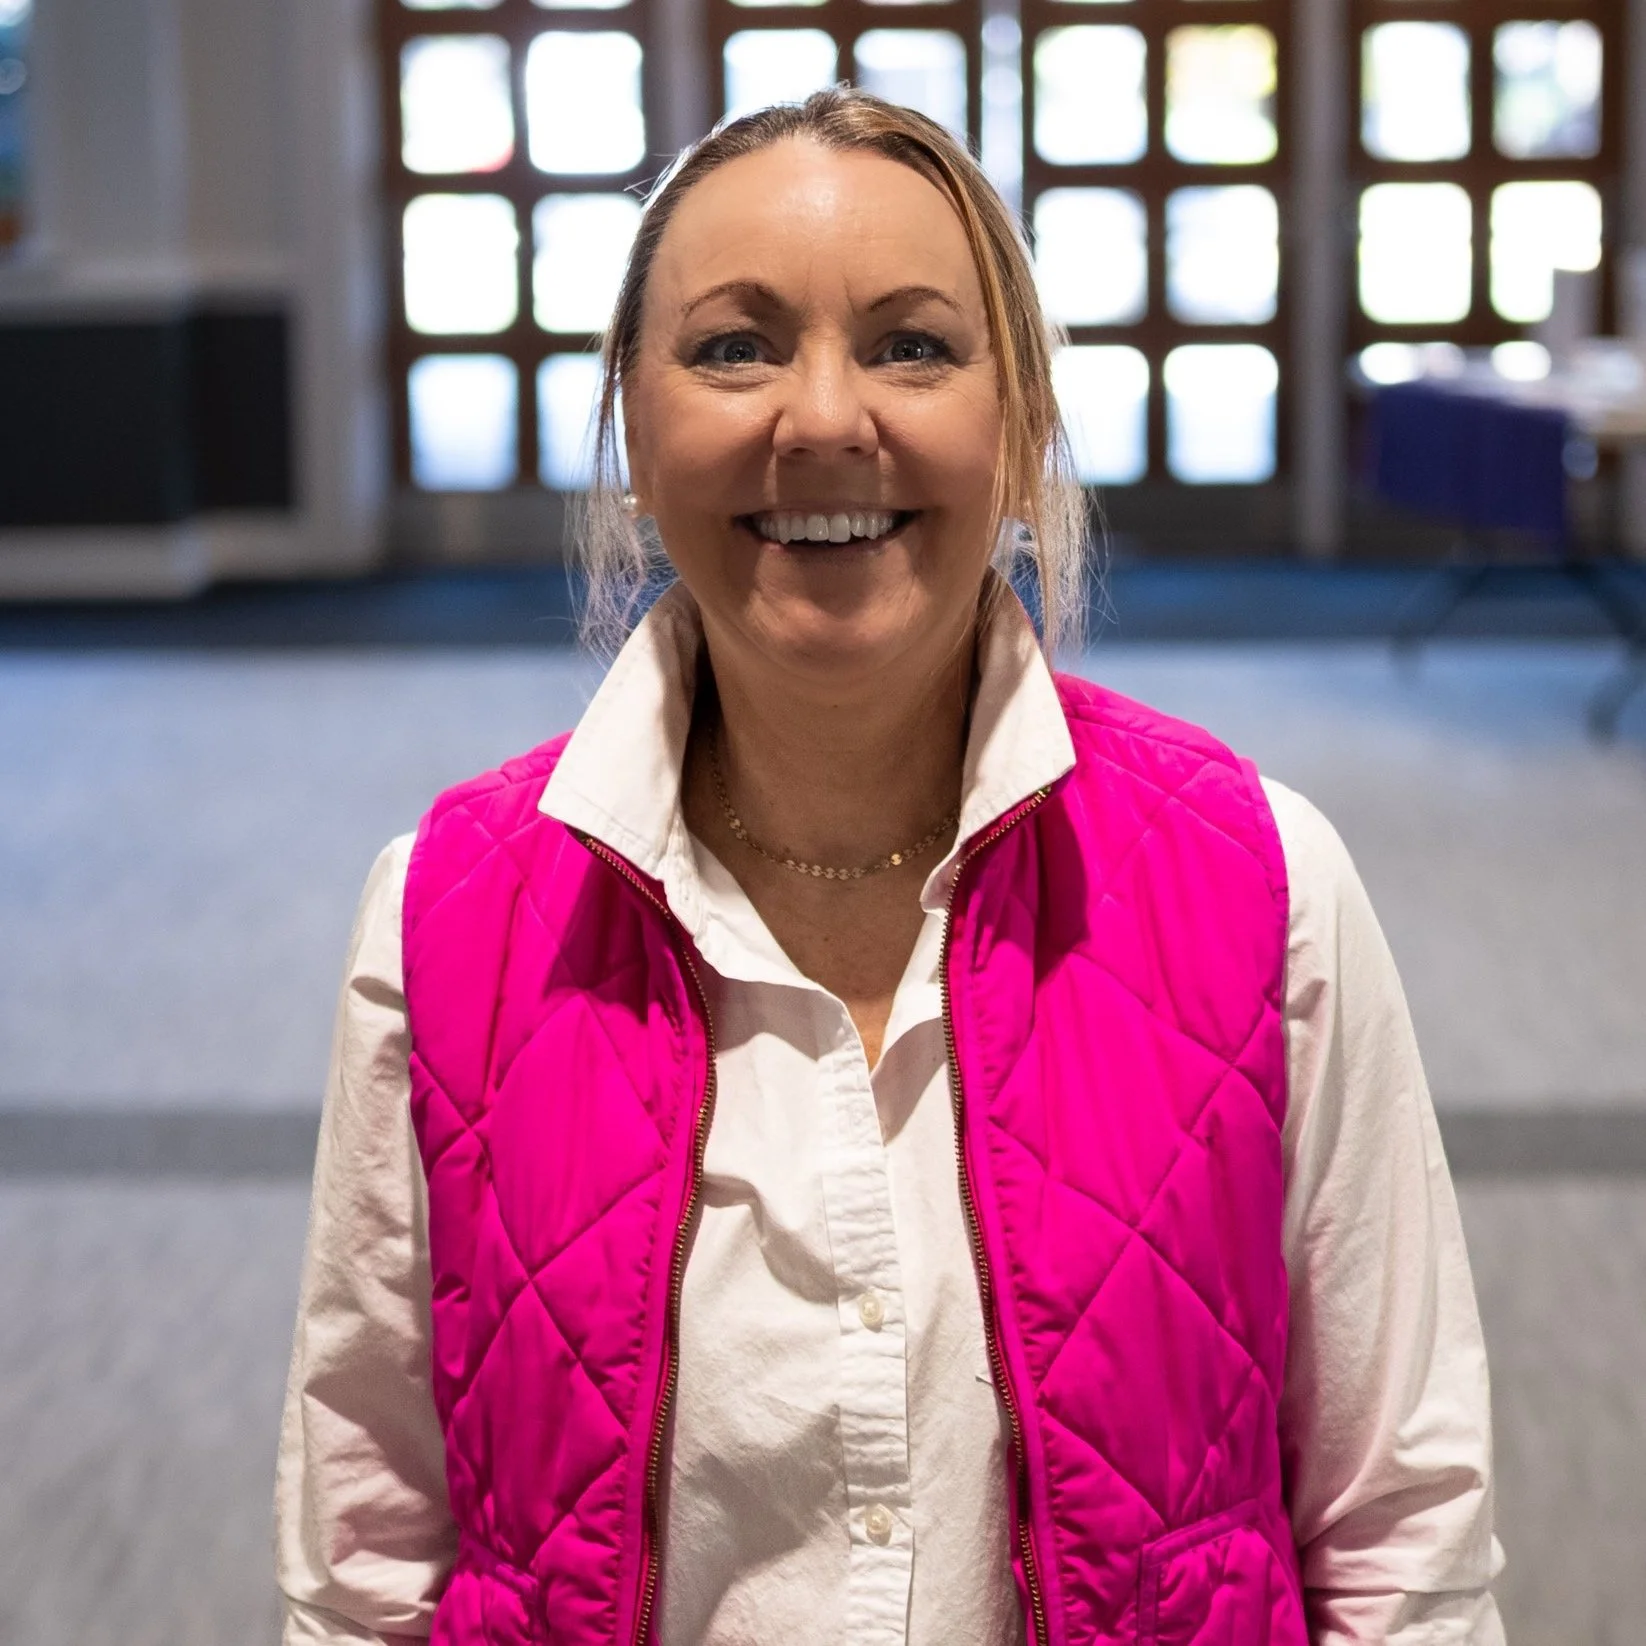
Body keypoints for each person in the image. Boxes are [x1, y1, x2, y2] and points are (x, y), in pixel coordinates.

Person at [275, 89, 1503, 1646]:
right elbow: (362, 1560)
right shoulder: (447, 914)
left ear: (1021, 424)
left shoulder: (1262, 880)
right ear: (634, 436)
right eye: (734, 345)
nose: (823, 418)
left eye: (913, 344)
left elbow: (1404, 1538)